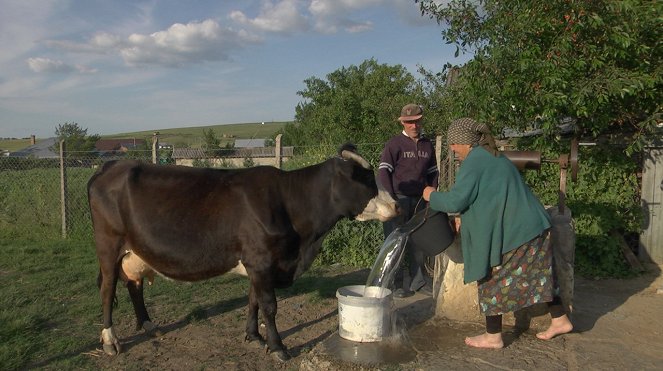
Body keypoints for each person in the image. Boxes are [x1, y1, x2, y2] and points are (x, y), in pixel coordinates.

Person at [422, 118, 573, 348]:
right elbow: (487, 197)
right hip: (532, 228)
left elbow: (456, 200)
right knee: (538, 277)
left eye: (454, 144)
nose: (452, 148)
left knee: (491, 278)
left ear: (464, 142)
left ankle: (493, 336)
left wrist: (431, 195)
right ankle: (560, 319)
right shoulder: (491, 155)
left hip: (519, 231)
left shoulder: (475, 161)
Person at [379, 103, 439, 298]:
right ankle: (393, 285)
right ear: (403, 123)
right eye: (409, 122)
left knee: (418, 243)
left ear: (421, 121)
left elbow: (433, 172)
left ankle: (418, 283)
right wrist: (390, 199)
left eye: (417, 121)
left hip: (420, 200)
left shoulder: (427, 145)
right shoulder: (394, 144)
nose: (414, 125)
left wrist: (432, 193)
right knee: (396, 243)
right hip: (399, 200)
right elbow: (383, 172)